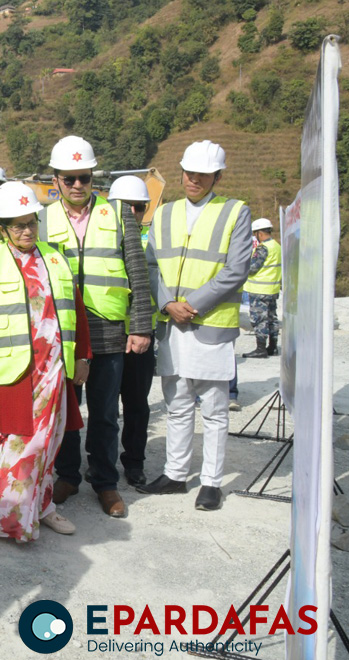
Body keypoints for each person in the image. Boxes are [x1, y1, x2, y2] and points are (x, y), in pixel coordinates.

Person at [0, 181, 91, 541]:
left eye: (31, 222)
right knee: (19, 444)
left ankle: (43, 506)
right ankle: (6, 513)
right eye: (17, 225)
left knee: (50, 442)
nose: (26, 231)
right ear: (2, 228)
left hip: (55, 369)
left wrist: (83, 355)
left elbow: (76, 311)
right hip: (17, 373)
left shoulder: (55, 258)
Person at [39, 136, 152, 520]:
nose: (76, 185)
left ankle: (105, 482)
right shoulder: (41, 220)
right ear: (55, 179)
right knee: (68, 412)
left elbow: (138, 273)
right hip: (63, 333)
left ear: (93, 178)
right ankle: (68, 475)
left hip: (108, 331)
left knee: (105, 412)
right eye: (68, 178)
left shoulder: (118, 215)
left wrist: (140, 328)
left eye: (83, 178)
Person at [139, 140, 252, 511]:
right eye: (189, 173)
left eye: (203, 175)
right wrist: (168, 303)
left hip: (210, 326)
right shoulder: (165, 213)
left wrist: (193, 304)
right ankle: (175, 473)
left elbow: (236, 270)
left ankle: (211, 482)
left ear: (217, 176)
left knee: (216, 408)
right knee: (177, 403)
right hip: (173, 325)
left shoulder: (235, 212)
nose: (194, 180)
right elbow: (151, 265)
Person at [106, 174, 155, 487]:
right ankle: (102, 461)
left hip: (140, 334)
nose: (133, 213)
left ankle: (134, 461)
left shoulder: (153, 240)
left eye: (139, 207)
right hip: (109, 334)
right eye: (127, 207)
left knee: (136, 404)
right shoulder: (103, 239)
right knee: (105, 406)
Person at [241, 218, 281, 358]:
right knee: (271, 318)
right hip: (272, 289)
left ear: (259, 233)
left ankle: (261, 349)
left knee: (259, 320)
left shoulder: (263, 248)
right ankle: (273, 347)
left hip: (260, 290)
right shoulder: (276, 246)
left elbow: (253, 268)